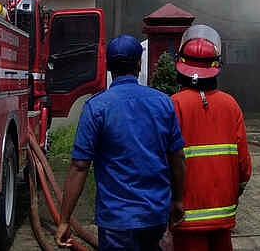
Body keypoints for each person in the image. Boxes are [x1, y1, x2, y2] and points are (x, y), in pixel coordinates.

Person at [57, 35, 186, 250]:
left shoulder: (96, 107)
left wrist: (64, 220)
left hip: (115, 220)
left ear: (108, 66)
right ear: (139, 64)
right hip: (155, 216)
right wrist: (178, 200)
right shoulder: (163, 102)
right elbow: (178, 157)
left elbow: (79, 166)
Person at [170, 25, 252, 251]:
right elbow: (244, 164)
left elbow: (165, 160)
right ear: (216, 66)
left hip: (185, 213)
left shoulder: (173, 104)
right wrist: (235, 192)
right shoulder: (230, 104)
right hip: (223, 211)